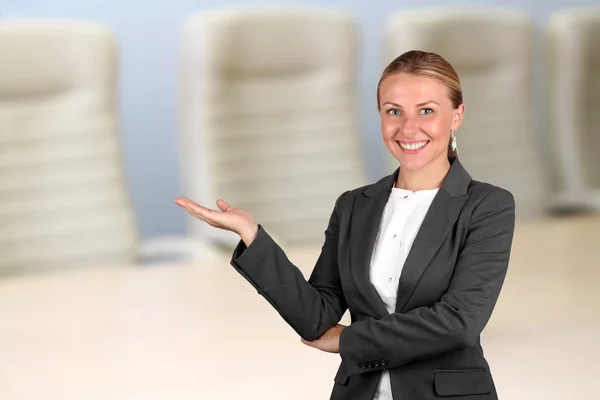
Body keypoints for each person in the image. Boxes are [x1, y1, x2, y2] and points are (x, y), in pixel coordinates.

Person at [174, 50, 515, 400]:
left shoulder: (487, 206)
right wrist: (252, 235)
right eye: (393, 111)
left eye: (426, 111)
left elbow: (459, 323)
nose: (408, 128)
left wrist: (348, 340)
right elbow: (317, 318)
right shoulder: (354, 205)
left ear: (457, 115)